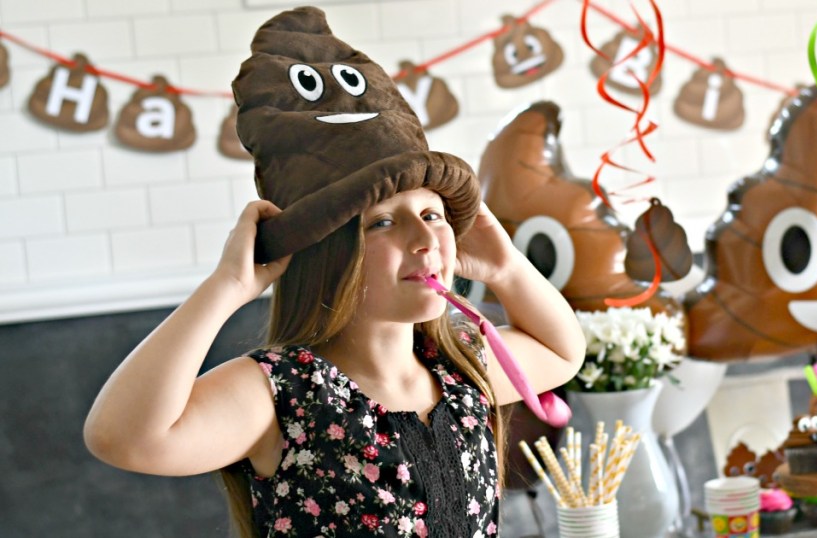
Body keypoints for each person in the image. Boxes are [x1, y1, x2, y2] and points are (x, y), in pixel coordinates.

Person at [83, 7, 585, 537]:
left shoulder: (462, 368)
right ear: (325, 253)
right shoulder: (280, 394)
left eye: (433, 215)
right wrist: (225, 289)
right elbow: (122, 436)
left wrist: (505, 266)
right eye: (383, 222)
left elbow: (562, 353)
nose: (424, 240)